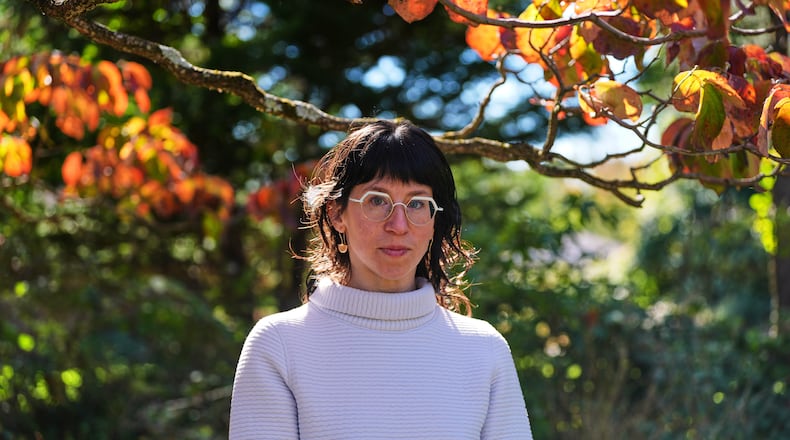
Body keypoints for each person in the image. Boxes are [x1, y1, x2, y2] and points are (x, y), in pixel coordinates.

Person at [229, 120, 533, 439]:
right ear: (336, 213)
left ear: (434, 220)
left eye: (417, 204)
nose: (398, 225)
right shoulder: (279, 345)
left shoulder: (484, 349)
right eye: (377, 201)